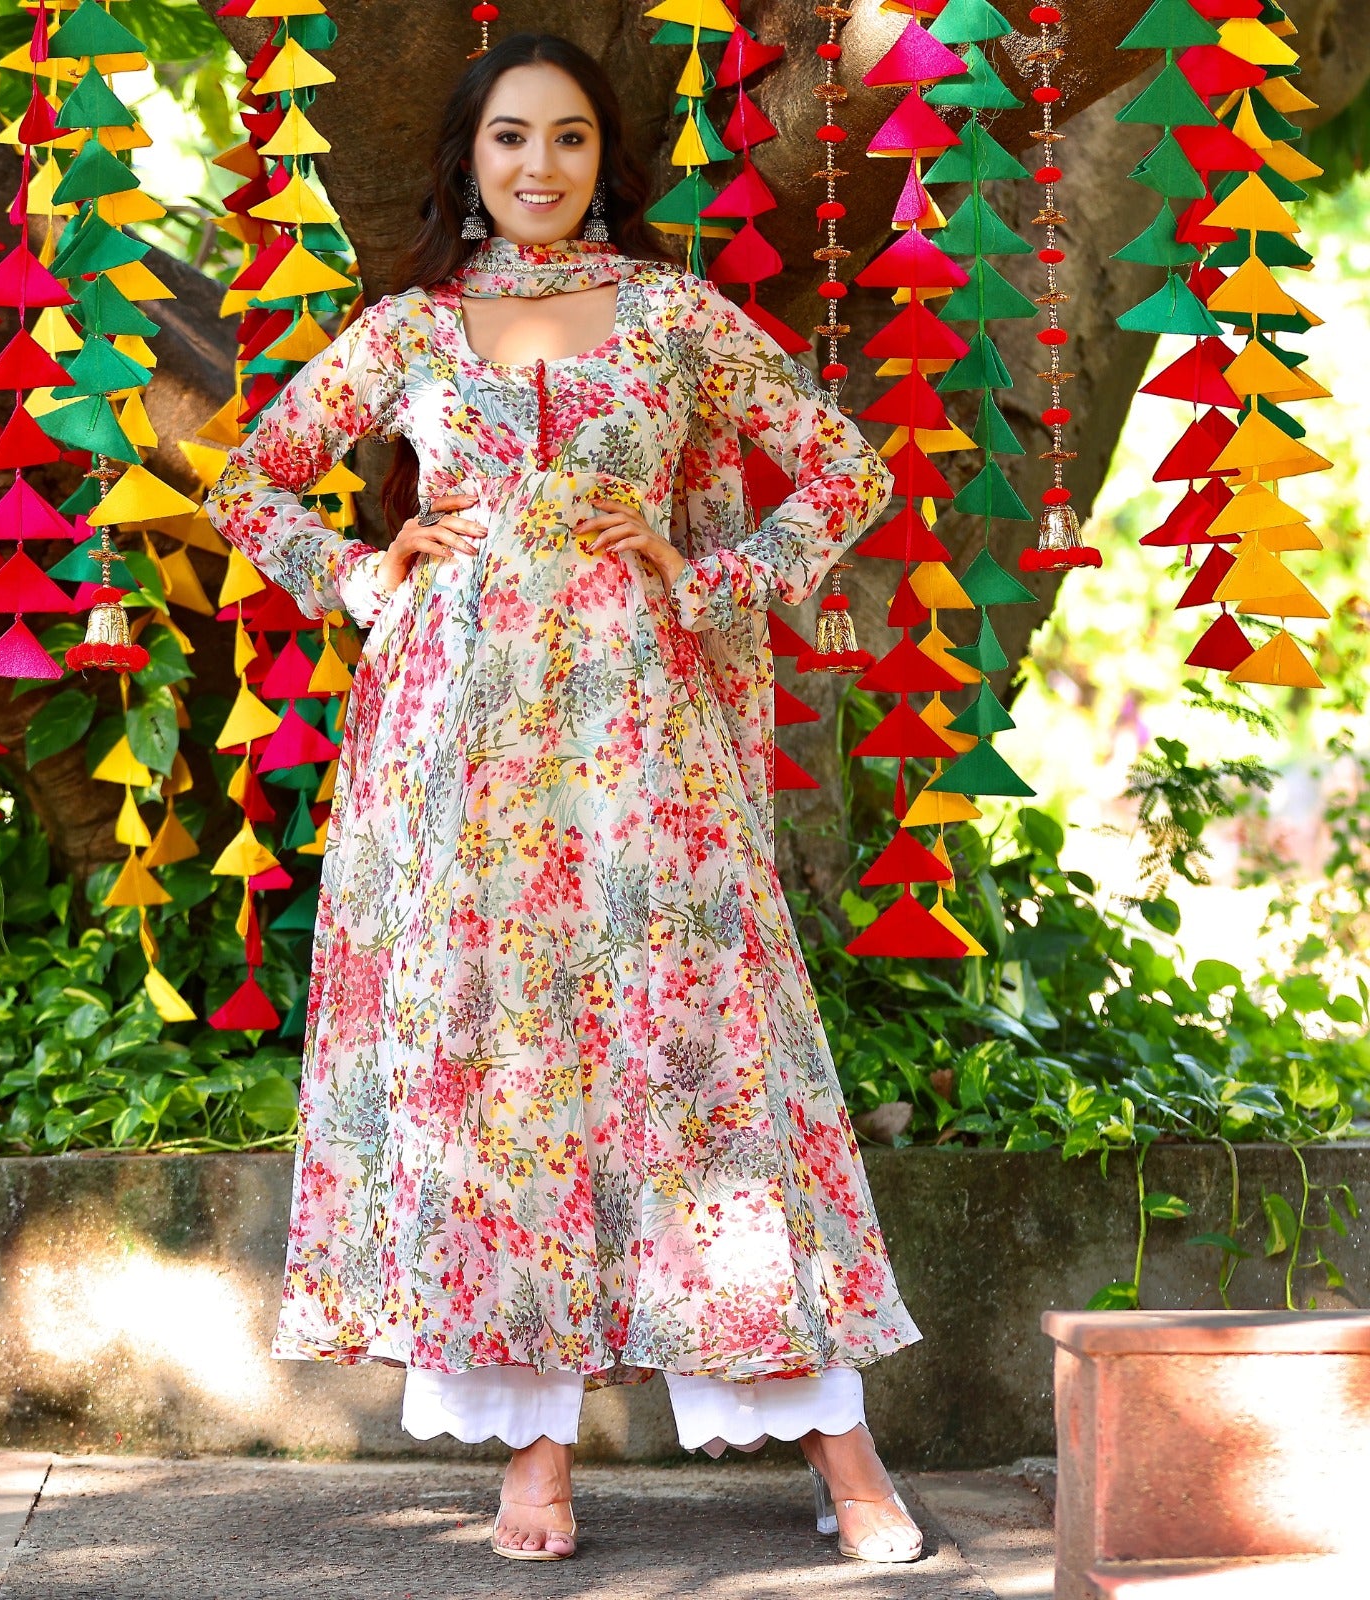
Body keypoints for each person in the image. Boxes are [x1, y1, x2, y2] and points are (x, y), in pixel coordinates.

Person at [207, 29, 924, 1569]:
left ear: (609, 160)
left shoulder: (674, 318)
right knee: (498, 1074)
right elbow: (245, 477)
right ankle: (533, 1459)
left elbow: (844, 469)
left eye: (572, 140)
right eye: (511, 139)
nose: (540, 167)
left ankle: (841, 1446)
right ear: (470, 163)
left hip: (641, 753)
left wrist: (718, 570)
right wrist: (360, 573)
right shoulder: (408, 329)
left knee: (707, 1064)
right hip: (452, 754)